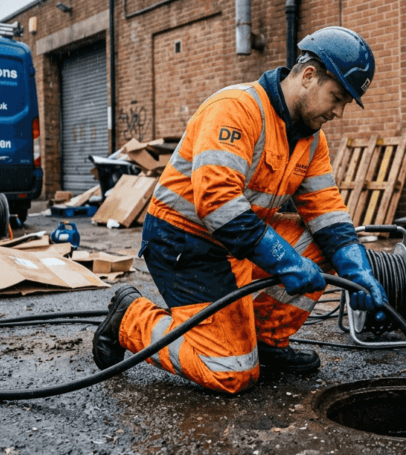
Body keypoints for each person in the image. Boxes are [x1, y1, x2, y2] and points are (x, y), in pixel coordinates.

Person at [92, 26, 388, 394]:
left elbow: (327, 215)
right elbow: (218, 204)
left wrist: (357, 269)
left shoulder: (312, 141)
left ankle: (267, 342)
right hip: (184, 241)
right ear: (309, 76)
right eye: (338, 97)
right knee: (231, 372)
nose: (339, 112)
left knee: (322, 244)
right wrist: (285, 261)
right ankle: (130, 318)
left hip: (241, 241)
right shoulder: (235, 108)